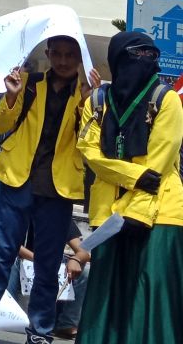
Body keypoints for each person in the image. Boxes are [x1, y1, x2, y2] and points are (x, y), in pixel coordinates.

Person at [0, 36, 99, 344]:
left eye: (70, 55)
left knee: (47, 264)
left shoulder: (88, 95)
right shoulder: (27, 82)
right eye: (58, 54)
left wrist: (87, 102)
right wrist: (11, 98)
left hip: (58, 187)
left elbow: (89, 140)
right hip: (17, 180)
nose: (63, 61)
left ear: (79, 59)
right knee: (0, 254)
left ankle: (40, 332)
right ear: (49, 54)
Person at [74, 31, 183, 344]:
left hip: (161, 213)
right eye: (135, 54)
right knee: (106, 300)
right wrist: (133, 178)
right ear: (117, 60)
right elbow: (91, 154)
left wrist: (136, 211)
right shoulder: (96, 102)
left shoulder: (167, 99)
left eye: (150, 55)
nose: (144, 61)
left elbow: (159, 166)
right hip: (111, 215)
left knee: (149, 299)